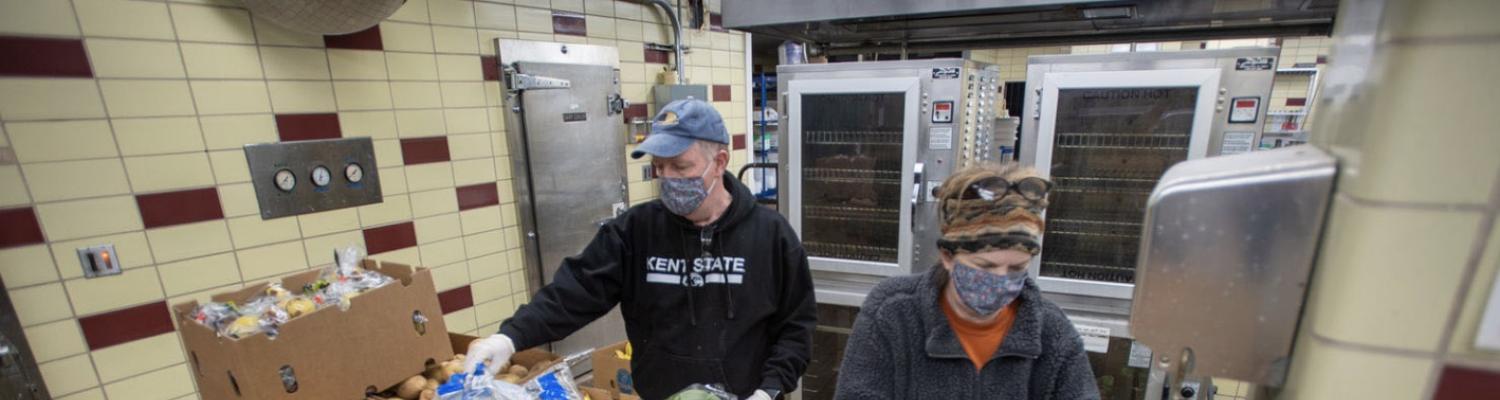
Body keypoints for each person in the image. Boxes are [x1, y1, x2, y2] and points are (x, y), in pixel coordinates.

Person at [464, 99, 816, 400]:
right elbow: (575, 291)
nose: (668, 178)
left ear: (720, 161)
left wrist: (769, 390)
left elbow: (796, 326)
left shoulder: (771, 236)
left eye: (680, 166)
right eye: (659, 167)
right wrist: (510, 337)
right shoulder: (635, 231)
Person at [834, 164, 1099, 399]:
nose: (1001, 279)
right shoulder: (893, 313)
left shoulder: (1051, 332)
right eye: (985, 266)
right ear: (948, 257)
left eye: (1016, 267)